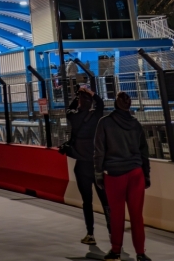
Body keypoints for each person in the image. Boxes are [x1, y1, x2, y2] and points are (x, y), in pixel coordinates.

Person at [94, 90, 151, 261]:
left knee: (117, 215)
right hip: (136, 174)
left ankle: (115, 251)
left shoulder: (104, 123)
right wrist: (146, 175)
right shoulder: (136, 124)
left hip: (114, 175)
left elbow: (99, 151)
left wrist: (98, 174)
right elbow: (144, 152)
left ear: (114, 104)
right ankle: (140, 253)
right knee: (137, 216)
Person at [62, 83, 110, 247]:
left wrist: (78, 96)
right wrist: (90, 92)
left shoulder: (74, 117)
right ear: (91, 103)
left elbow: (68, 109)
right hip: (97, 165)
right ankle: (113, 232)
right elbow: (101, 104)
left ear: (80, 102)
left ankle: (90, 234)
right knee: (105, 201)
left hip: (81, 167)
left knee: (87, 202)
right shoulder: (97, 117)